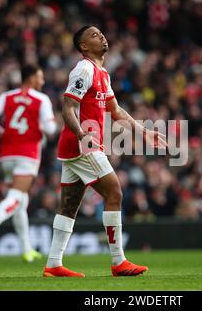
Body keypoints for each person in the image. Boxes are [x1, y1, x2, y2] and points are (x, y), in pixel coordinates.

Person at [43, 25, 167, 277]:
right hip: (83, 144)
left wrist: (144, 132)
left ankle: (53, 264)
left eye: (101, 32)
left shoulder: (103, 73)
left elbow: (117, 111)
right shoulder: (84, 68)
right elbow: (67, 108)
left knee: (69, 205)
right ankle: (118, 261)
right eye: (93, 35)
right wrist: (82, 135)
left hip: (77, 146)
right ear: (84, 47)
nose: (101, 36)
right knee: (114, 192)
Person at [0, 65, 57, 262]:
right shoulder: (41, 99)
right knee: (17, 196)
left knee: (21, 202)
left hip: (7, 154)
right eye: (40, 77)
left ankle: (26, 249)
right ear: (31, 78)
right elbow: (50, 128)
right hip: (28, 154)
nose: (42, 81)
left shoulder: (7, 96)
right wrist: (42, 126)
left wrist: (1, 132)